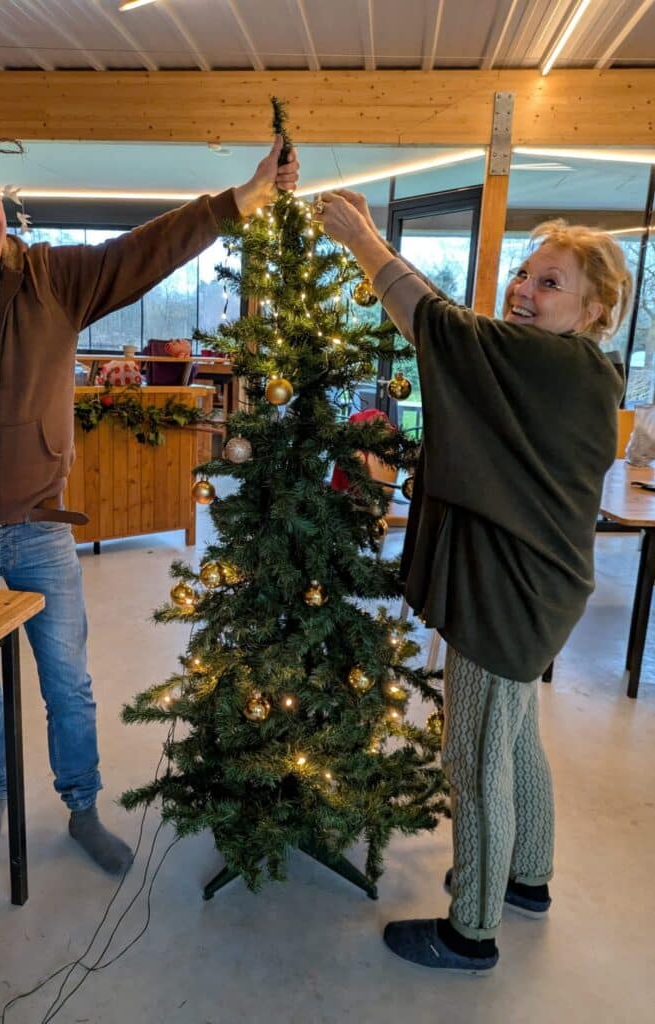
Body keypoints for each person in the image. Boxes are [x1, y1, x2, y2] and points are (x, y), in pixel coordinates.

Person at [0, 136, 298, 875]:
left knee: (67, 683)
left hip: (41, 529)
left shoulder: (52, 278)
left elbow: (146, 250)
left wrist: (241, 199)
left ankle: (82, 806)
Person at [317, 189, 631, 971]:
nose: (523, 290)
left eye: (550, 282)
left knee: (473, 756)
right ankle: (526, 876)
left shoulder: (547, 360)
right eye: (523, 273)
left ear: (594, 309)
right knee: (514, 737)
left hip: (506, 593)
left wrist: (361, 238)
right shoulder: (583, 370)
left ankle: (472, 929)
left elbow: (436, 325)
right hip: (540, 588)